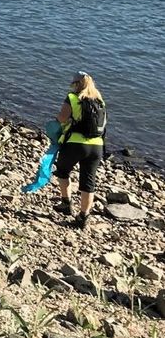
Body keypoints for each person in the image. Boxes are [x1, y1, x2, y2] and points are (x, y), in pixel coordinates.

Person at [53, 72, 107, 229]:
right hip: (97, 146)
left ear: (77, 84)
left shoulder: (73, 98)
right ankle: (83, 217)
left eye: (72, 84)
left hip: (76, 143)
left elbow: (61, 118)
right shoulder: (100, 101)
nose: (71, 86)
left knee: (62, 170)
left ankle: (66, 203)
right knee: (88, 182)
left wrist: (57, 124)